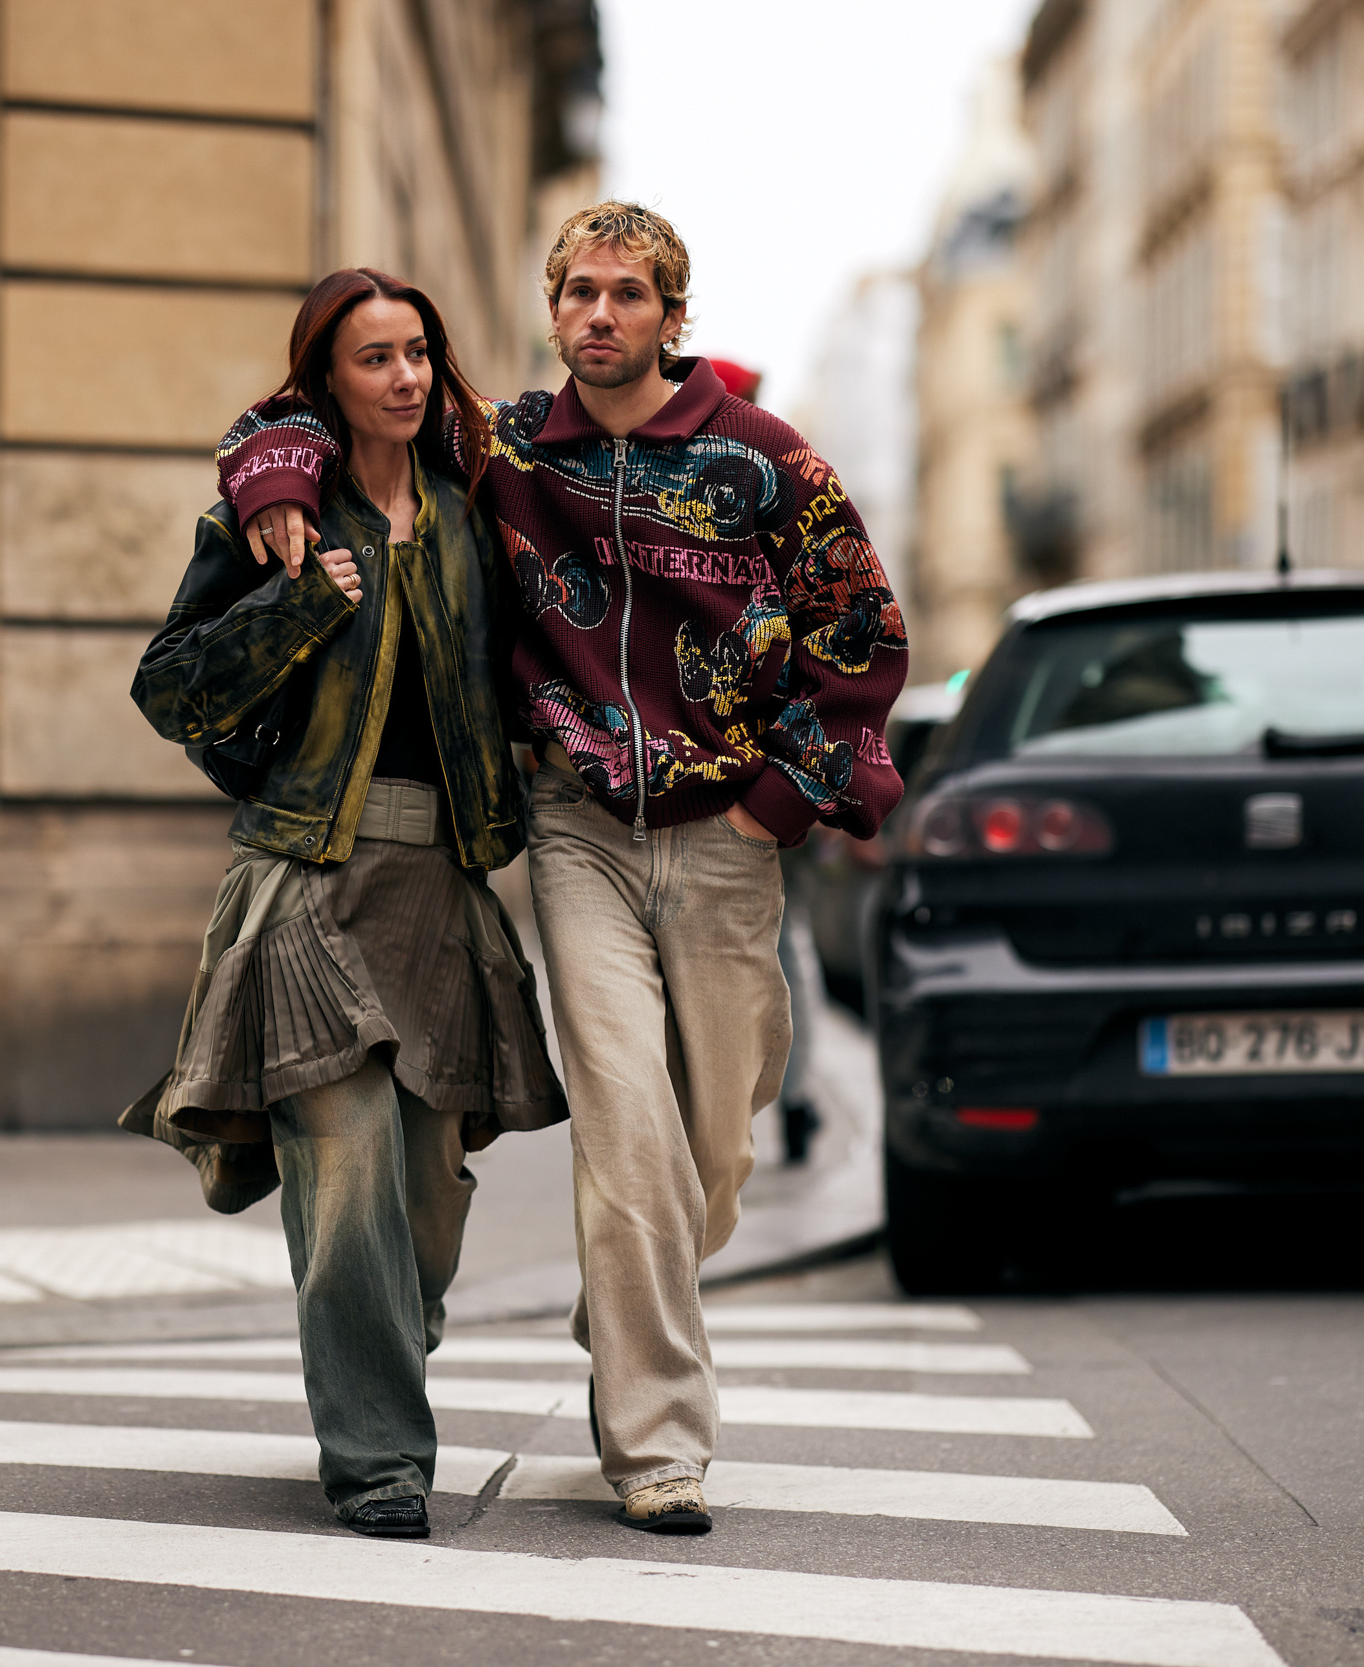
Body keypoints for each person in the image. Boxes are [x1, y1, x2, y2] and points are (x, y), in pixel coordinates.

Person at [217, 204, 909, 1534]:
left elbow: (862, 627)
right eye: (580, 291)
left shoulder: (763, 459)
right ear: (553, 310)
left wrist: (777, 802)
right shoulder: (513, 443)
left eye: (629, 295)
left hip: (726, 839)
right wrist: (277, 485)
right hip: (579, 828)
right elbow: (317, 405)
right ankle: (655, 1445)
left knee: (709, 1145)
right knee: (628, 1124)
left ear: (671, 315)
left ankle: (627, 1290)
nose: (602, 313)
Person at [125, 269, 567, 1542]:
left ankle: (379, 1351)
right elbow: (171, 688)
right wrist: (302, 595)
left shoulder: (475, 513)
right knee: (349, 1161)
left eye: (418, 352)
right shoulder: (273, 518)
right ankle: (376, 1452)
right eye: (375, 358)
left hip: (440, 880)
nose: (407, 378)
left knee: (427, 1191)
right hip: (307, 879)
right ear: (327, 381)